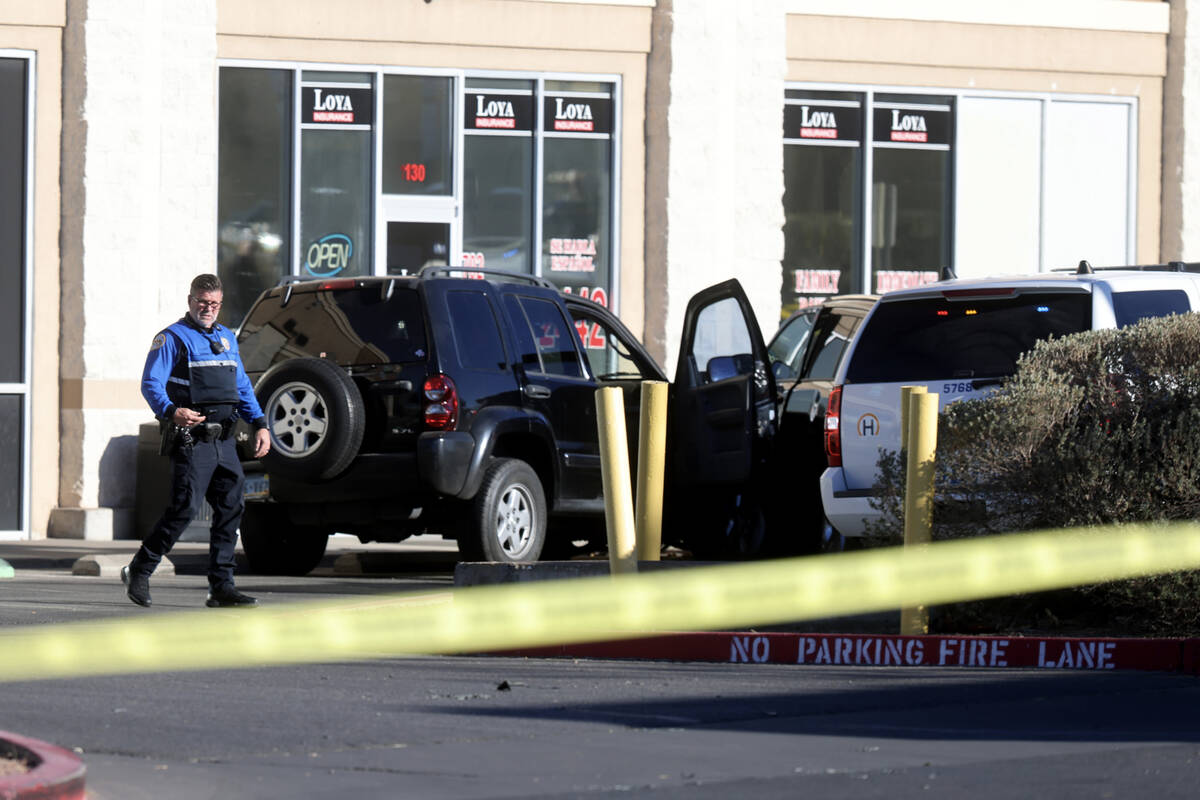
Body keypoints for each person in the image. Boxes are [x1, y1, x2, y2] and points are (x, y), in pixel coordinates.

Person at [123, 274, 271, 608]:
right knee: (185, 508)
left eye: (214, 304)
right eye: (202, 302)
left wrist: (260, 423)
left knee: (231, 509)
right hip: (193, 439)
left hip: (226, 440)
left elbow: (242, 385)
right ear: (190, 300)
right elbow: (151, 383)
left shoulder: (226, 338)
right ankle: (141, 568)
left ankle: (221, 587)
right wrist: (171, 411)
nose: (208, 309)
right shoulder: (173, 338)